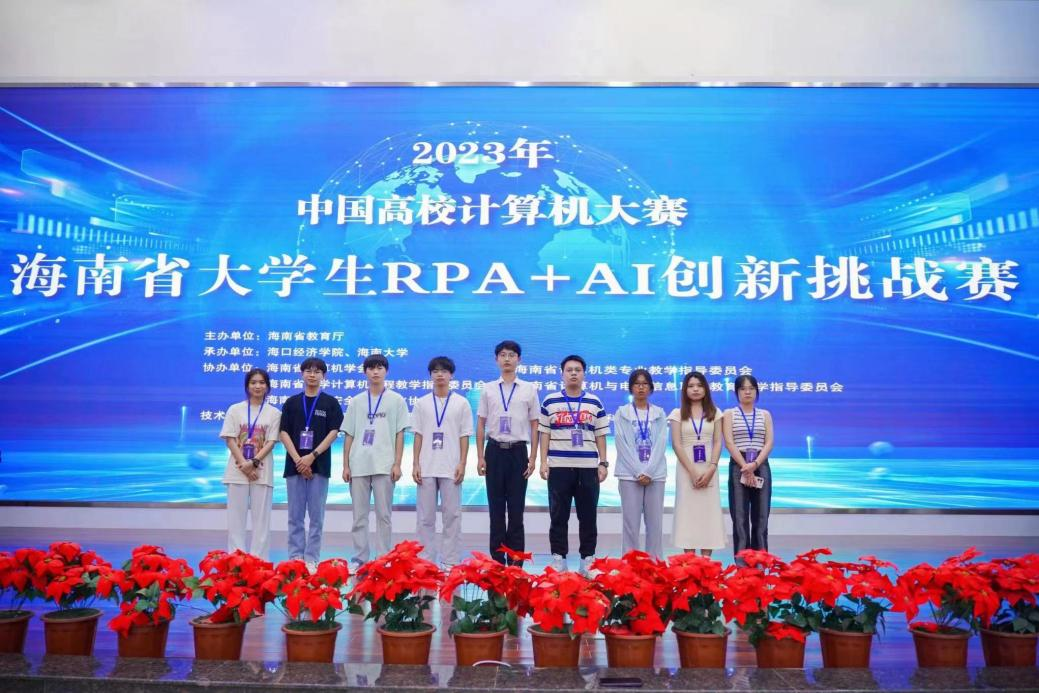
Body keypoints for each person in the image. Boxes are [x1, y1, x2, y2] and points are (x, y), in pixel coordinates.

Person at [539, 354, 609, 575]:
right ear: (562, 374)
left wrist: (603, 463)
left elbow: (600, 435)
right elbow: (544, 433)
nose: (573, 373)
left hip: (588, 468)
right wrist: (543, 462)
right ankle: (559, 560)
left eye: (577, 370)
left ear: (584, 374)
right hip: (559, 467)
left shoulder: (594, 402)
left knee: (588, 517)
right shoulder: (550, 401)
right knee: (558, 516)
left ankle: (587, 561)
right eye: (569, 370)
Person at [341, 353, 409, 566]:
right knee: (359, 517)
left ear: (386, 371)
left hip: (384, 465)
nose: (375, 372)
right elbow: (349, 434)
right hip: (358, 465)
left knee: (384, 516)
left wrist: (397, 463)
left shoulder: (397, 400)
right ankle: (360, 558)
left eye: (380, 368)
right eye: (371, 368)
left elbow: (399, 434)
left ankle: (383, 558)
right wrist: (345, 465)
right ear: (365, 372)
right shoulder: (356, 401)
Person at [476, 340, 539, 565]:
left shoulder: (529, 389)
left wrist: (533, 457)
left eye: (511, 355)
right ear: (496, 360)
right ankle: (496, 560)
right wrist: (480, 456)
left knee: (516, 510)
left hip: (518, 452)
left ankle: (516, 561)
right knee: (495, 510)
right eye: (503, 355)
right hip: (494, 451)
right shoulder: (488, 389)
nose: (507, 359)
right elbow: (481, 424)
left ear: (519, 360)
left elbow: (535, 424)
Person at [279, 357, 344, 572]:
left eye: (317, 371)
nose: (312, 375)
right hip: (294, 466)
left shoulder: (330, 403)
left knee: (316, 517)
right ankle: (295, 556)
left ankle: (312, 558)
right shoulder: (291, 403)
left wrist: (312, 456)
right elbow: (283, 432)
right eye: (308, 371)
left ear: (323, 376)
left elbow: (334, 432)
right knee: (295, 516)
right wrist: (299, 459)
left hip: (320, 465)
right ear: (302, 374)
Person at [411, 356, 473, 567]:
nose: (440, 375)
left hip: (451, 467)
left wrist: (462, 463)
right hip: (426, 467)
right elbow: (418, 435)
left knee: (452, 517)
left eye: (444, 371)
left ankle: (450, 561)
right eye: (436, 371)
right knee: (425, 518)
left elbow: (464, 435)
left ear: (451, 375)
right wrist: (415, 463)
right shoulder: (421, 403)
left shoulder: (461, 403)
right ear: (430, 375)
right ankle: (425, 561)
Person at [219, 367, 281, 560]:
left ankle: (259, 561)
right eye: (253, 382)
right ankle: (236, 561)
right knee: (235, 520)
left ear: (267, 387)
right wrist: (244, 465)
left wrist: (253, 463)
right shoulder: (235, 409)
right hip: (236, 471)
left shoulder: (274, 413)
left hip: (262, 472)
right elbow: (230, 439)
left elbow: (271, 442)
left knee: (261, 521)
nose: (257, 386)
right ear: (247, 386)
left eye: (262, 382)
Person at [668, 371, 725, 557]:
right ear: (685, 390)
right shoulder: (677, 414)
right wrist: (692, 472)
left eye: (699, 386)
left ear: (706, 389)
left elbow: (718, 442)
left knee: (708, 513)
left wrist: (712, 468)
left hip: (709, 468)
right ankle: (690, 561)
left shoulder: (715, 413)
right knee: (688, 513)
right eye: (691, 386)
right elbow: (676, 444)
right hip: (686, 469)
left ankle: (706, 562)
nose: (695, 389)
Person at [613, 369, 668, 557]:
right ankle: (631, 564)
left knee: (655, 524)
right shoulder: (622, 413)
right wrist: (638, 471)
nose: (641, 387)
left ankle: (655, 564)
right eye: (637, 384)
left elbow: (661, 443)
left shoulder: (659, 413)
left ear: (651, 388)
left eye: (645, 384)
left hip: (656, 475)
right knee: (630, 524)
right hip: (629, 475)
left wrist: (649, 471)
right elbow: (621, 443)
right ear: (631, 388)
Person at [722, 374, 774, 561]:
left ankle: (760, 563)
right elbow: (729, 442)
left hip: (760, 464)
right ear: (736, 392)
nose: (747, 392)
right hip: (739, 465)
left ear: (756, 391)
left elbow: (769, 442)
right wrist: (745, 466)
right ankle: (742, 565)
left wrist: (755, 464)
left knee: (761, 518)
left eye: (751, 388)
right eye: (743, 388)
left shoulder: (765, 414)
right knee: (740, 518)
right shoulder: (729, 414)